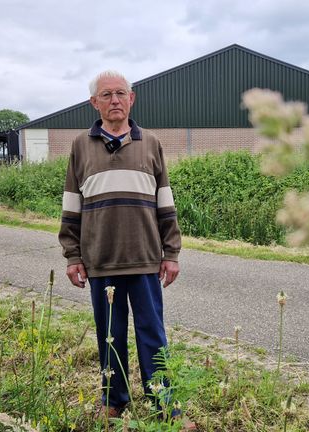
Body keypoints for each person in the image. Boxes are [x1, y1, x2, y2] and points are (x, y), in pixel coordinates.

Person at [59, 70, 193, 428]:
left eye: (121, 93)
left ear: (132, 99)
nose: (114, 100)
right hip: (100, 262)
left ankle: (164, 404)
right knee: (110, 337)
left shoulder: (150, 143)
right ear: (94, 103)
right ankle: (114, 400)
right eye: (106, 95)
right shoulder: (79, 146)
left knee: (153, 335)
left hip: (147, 259)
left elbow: (165, 202)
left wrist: (171, 252)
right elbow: (72, 204)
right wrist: (73, 256)